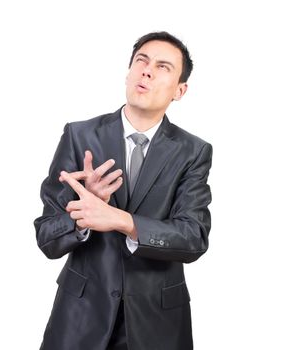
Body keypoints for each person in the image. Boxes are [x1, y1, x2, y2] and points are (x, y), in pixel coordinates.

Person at [34, 32, 212, 350]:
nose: (147, 71)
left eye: (163, 67)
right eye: (141, 61)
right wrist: (81, 216)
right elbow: (47, 237)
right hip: (79, 320)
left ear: (180, 91)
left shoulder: (192, 152)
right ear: (128, 72)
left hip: (157, 326)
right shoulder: (80, 136)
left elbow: (193, 238)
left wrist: (120, 219)